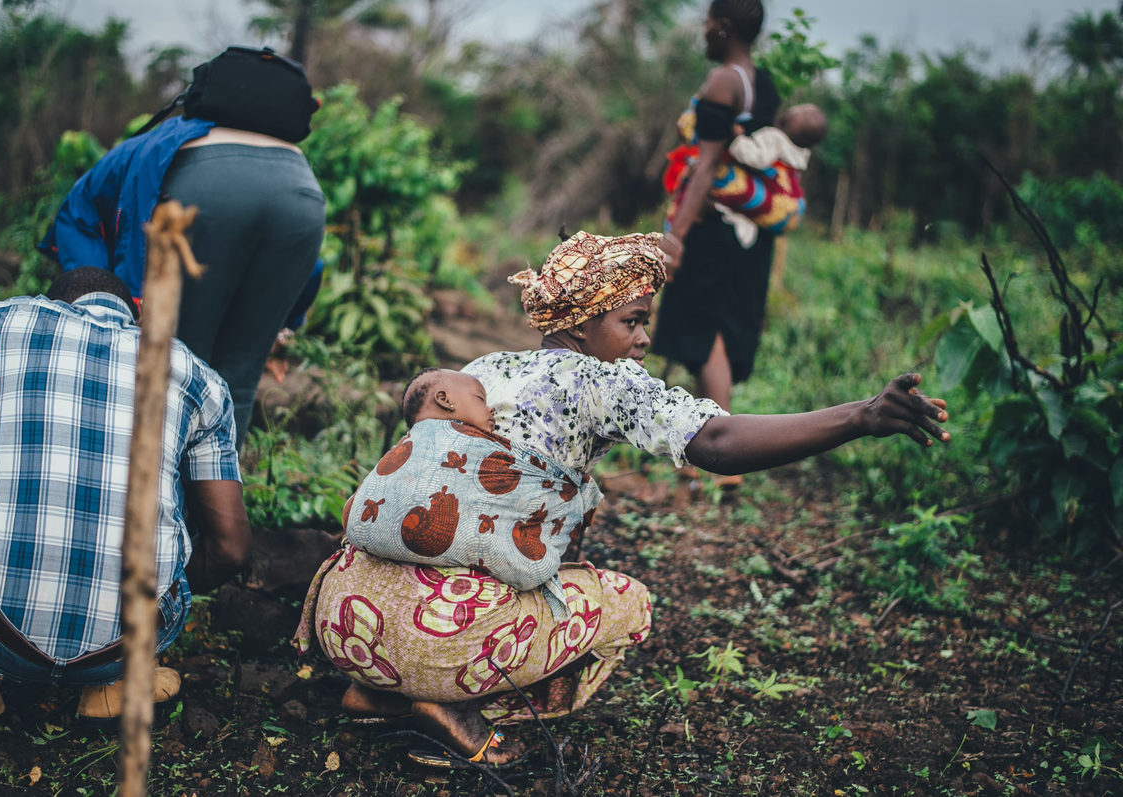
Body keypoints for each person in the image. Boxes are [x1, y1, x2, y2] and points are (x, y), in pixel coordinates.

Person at [294, 230, 950, 767]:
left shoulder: (477, 372)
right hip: (439, 642)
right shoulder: (601, 381)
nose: (642, 340)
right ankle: (454, 706)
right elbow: (716, 441)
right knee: (628, 604)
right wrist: (861, 415)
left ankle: (376, 692)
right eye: (632, 322)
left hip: (344, 617)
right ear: (579, 324)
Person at [0, 268, 251, 724]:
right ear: (135, 317)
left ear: (53, 302)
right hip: (129, 646)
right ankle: (114, 684)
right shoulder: (197, 377)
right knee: (163, 456)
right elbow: (232, 548)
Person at [39, 70, 326, 447]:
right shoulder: (284, 149)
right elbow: (310, 267)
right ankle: (218, 499)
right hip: (302, 192)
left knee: (174, 367)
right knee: (236, 380)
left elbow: (78, 226)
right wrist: (283, 322)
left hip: (206, 186)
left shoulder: (151, 142)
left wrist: (114, 303)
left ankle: (155, 494)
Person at [339, 367, 600, 613]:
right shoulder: (478, 446)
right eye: (480, 399)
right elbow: (546, 487)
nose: (491, 410)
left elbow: (361, 500)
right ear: (444, 399)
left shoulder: (405, 444)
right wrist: (576, 493)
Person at [653, 0, 780, 437]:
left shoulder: (725, 80)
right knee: (718, 330)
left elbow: (705, 166)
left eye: (708, 22)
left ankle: (722, 444)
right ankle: (710, 443)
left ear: (723, 28)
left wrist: (676, 237)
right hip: (750, 234)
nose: (704, 29)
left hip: (716, 231)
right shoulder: (763, 84)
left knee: (706, 331)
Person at [665, 103, 828, 247]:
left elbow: (755, 158)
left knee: (715, 175)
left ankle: (712, 210)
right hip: (787, 208)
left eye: (790, 114)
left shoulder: (775, 138)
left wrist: (737, 139)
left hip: (771, 202)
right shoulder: (800, 153)